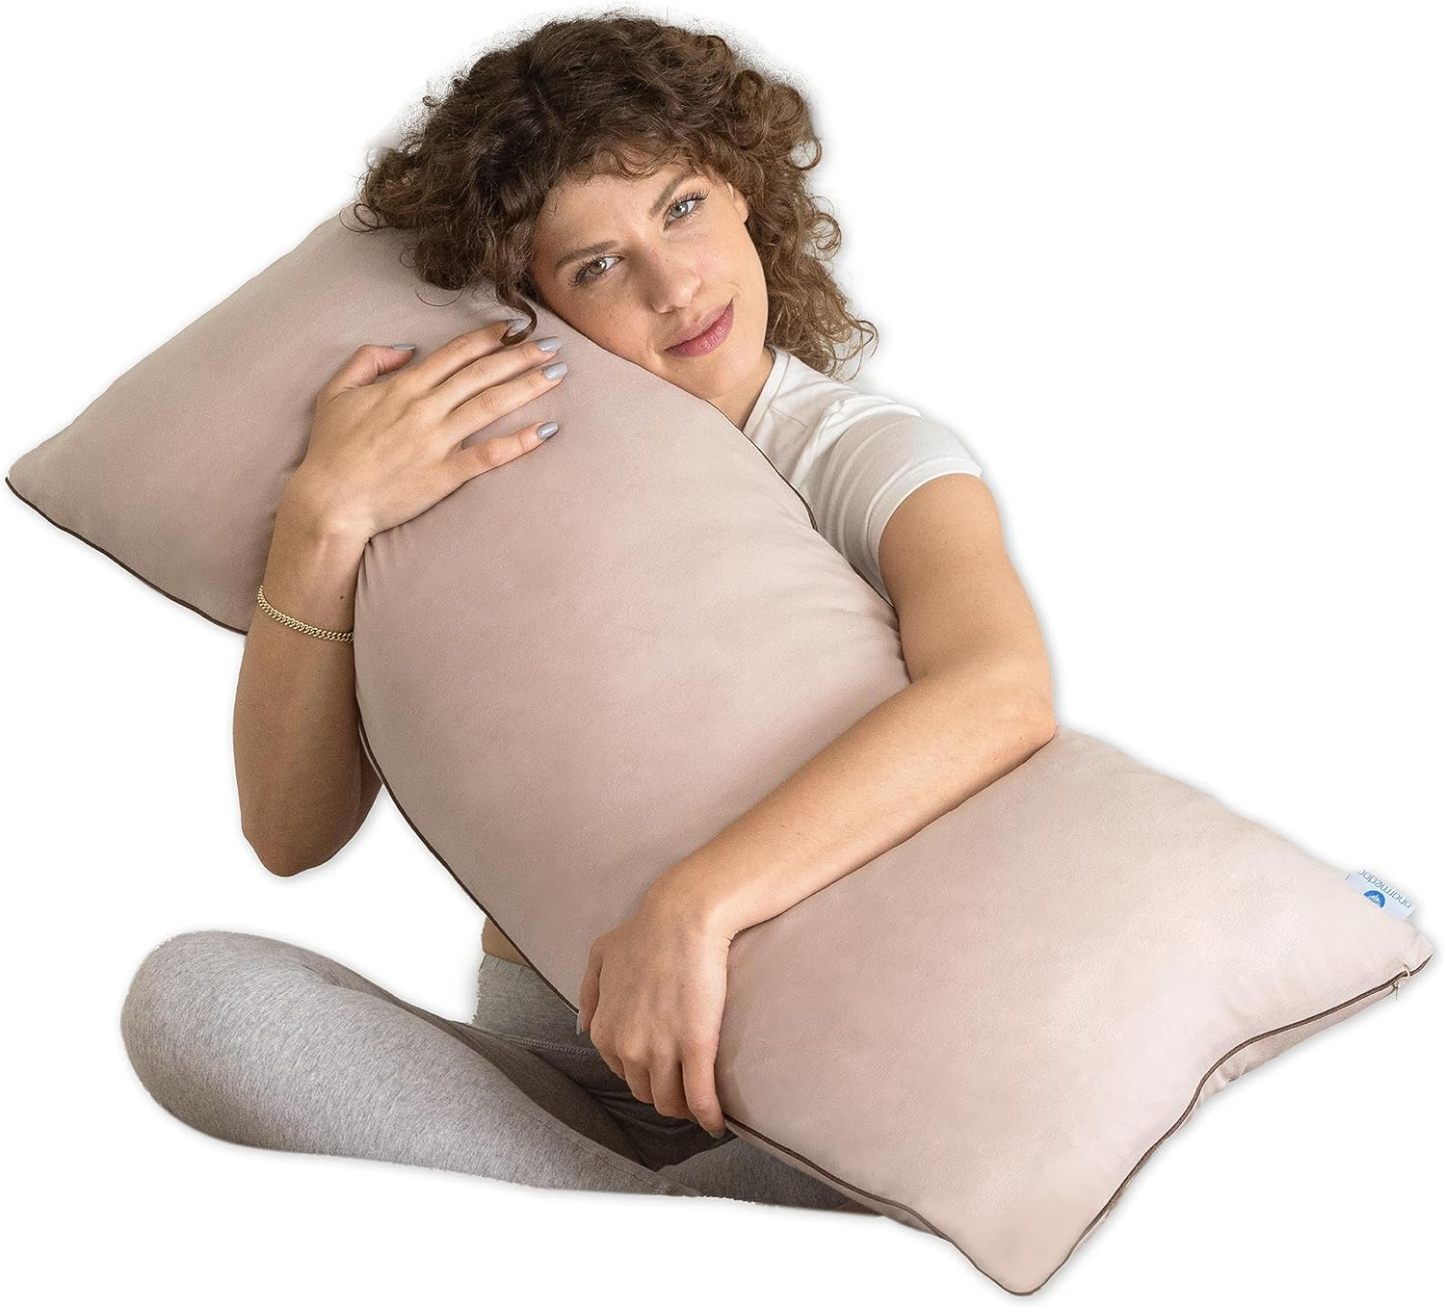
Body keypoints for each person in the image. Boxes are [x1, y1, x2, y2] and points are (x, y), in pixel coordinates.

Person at [120, 13, 1048, 1217]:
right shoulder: (470, 478)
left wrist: (691, 909)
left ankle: (593, 1236)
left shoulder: (860, 452)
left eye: (681, 208)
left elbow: (1000, 692)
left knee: (970, 1095)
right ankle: (660, 1233)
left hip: (806, 1064)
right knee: (190, 997)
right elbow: (291, 836)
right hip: (554, 1071)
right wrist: (322, 519)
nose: (674, 285)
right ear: (527, 303)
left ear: (744, 189)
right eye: (597, 266)